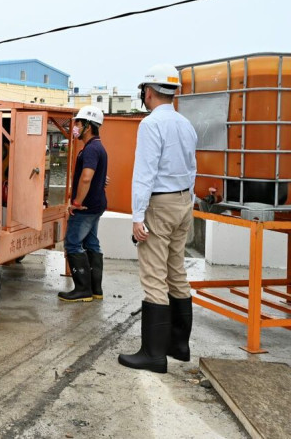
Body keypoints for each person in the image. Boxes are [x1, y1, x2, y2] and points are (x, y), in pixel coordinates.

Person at [119, 63, 197, 374]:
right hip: (182, 202)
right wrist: (187, 201)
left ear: (148, 92)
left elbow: (144, 174)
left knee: (154, 277)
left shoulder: (151, 125)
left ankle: (153, 354)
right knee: (176, 271)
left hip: (159, 205)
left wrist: (138, 217)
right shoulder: (185, 124)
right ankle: (178, 345)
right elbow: (193, 168)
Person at [59, 106, 108, 302]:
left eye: (78, 123)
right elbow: (97, 176)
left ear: (88, 126)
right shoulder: (98, 147)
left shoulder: (90, 149)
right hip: (96, 205)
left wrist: (76, 202)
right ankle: (96, 290)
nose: (75, 127)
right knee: (91, 243)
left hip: (86, 207)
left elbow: (86, 178)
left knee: (72, 243)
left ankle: (82, 290)